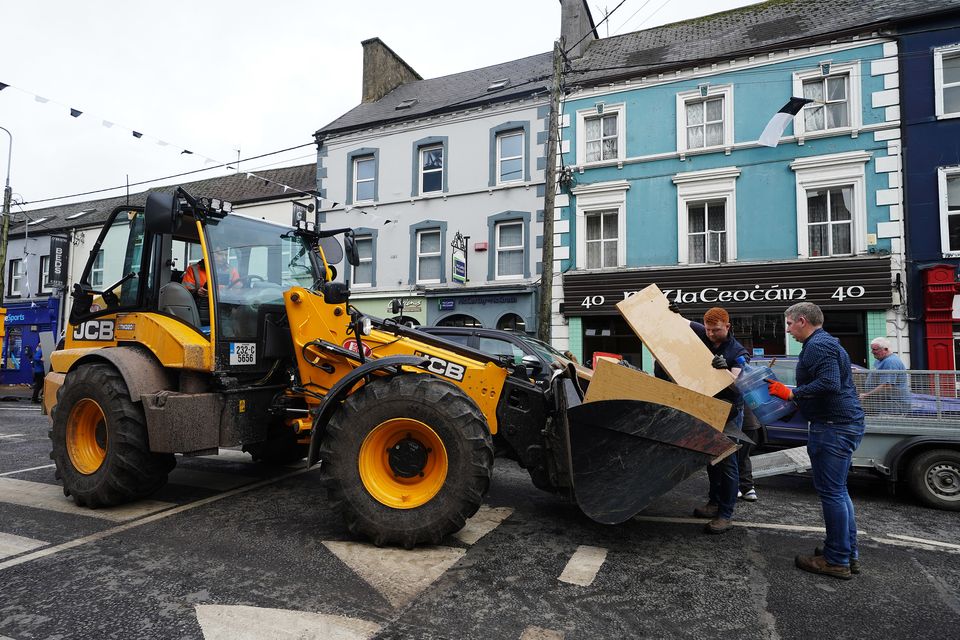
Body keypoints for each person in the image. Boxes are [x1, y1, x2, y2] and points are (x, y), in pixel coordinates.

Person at [767, 302, 865, 580]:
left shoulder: (818, 346)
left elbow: (830, 383)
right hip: (841, 424)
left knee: (832, 493)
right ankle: (846, 552)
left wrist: (791, 394)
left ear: (801, 320)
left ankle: (836, 560)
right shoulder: (824, 343)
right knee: (839, 491)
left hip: (833, 427)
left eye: (788, 324)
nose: (788, 330)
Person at [685, 306, 750, 535]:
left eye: (717, 330)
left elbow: (737, 385)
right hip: (708, 408)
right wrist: (672, 311)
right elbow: (679, 322)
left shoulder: (738, 351)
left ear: (728, 326)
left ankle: (725, 514)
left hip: (730, 412)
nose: (711, 334)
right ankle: (713, 503)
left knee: (728, 463)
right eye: (709, 330)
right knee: (711, 460)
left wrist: (725, 372)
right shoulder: (705, 333)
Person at [181, 249, 241, 324]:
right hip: (200, 310)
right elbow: (185, 293)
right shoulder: (193, 269)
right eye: (220, 254)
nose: (224, 257)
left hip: (225, 309)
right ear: (209, 254)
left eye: (225, 255)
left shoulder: (232, 270)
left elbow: (238, 290)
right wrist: (197, 292)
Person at [860, 337, 909, 414]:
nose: (872, 352)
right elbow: (875, 376)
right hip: (884, 403)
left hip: (893, 405)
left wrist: (866, 395)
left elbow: (887, 385)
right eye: (872, 349)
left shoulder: (890, 362)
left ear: (886, 349)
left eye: (875, 349)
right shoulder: (880, 360)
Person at [737, 405, 760, 502]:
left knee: (730, 457)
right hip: (750, 422)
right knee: (744, 456)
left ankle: (734, 487)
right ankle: (748, 488)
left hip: (737, 422)